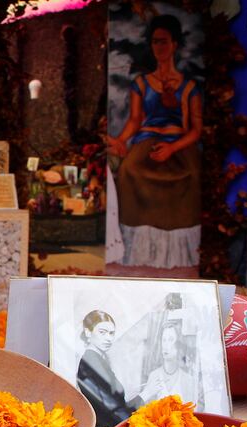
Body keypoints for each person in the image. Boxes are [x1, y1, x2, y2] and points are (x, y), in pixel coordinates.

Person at [107, 14, 203, 269]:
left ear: (174, 44)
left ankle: (179, 255)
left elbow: (196, 130)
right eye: (154, 42)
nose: (158, 47)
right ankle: (139, 252)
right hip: (147, 140)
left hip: (179, 143)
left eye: (163, 41)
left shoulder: (189, 87)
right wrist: (120, 140)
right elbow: (135, 120)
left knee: (192, 174)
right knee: (128, 170)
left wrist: (172, 147)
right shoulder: (142, 83)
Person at [76, 310, 163, 427]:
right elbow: (115, 416)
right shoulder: (91, 361)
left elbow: (112, 400)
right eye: (102, 332)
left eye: (111, 333)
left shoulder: (98, 359)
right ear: (88, 332)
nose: (108, 338)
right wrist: (146, 394)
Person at [144, 321, 203, 408]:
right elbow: (147, 412)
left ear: (179, 344)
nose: (166, 345)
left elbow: (192, 412)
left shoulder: (188, 380)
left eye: (171, 339)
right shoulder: (154, 376)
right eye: (164, 340)